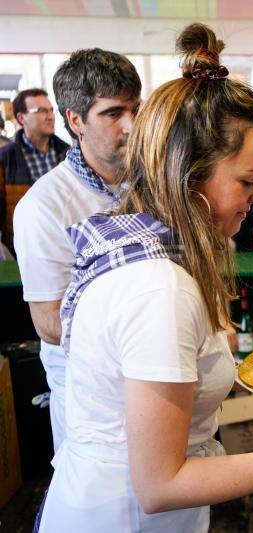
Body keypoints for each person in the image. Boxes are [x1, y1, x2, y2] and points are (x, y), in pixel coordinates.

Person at [37, 23, 253, 533]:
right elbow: (161, 485)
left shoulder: (141, 252)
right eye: (248, 180)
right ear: (188, 175)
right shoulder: (158, 288)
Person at [13, 51, 142, 453]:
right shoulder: (44, 206)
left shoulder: (150, 186)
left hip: (153, 378)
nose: (131, 125)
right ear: (75, 121)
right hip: (91, 394)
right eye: (112, 113)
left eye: (136, 109)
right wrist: (141, 332)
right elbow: (49, 322)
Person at [0, 88, 70, 255]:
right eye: (41, 111)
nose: (50, 116)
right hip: (23, 250)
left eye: (51, 110)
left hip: (66, 246)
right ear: (21, 118)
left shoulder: (68, 154)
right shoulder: (5, 159)